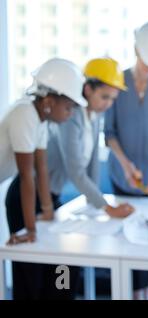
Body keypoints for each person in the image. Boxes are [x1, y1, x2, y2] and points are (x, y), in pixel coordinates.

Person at [1, 58, 86, 299]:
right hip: (18, 193)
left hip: (21, 188)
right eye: (68, 107)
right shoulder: (25, 114)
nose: (70, 114)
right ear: (49, 101)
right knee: (28, 276)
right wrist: (30, 229)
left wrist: (48, 209)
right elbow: (27, 175)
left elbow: (41, 166)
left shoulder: (40, 119)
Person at [104, 22, 148, 299]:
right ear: (135, 50)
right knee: (128, 240)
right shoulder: (117, 83)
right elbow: (109, 132)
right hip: (123, 176)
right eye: (147, 62)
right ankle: (134, 292)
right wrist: (125, 164)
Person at [47, 57, 134, 218]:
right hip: (32, 195)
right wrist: (108, 208)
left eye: (113, 99)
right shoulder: (70, 115)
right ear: (87, 89)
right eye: (104, 97)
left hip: (52, 194)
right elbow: (76, 171)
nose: (108, 104)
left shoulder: (94, 115)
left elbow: (93, 163)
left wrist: (94, 205)